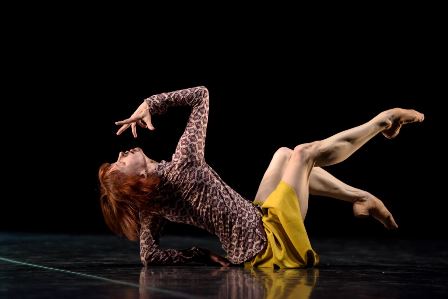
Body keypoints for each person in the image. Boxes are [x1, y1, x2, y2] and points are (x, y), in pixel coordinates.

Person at [98, 86, 424, 268]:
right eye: (119, 163)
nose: (122, 154)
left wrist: (199, 255)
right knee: (303, 153)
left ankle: (360, 199)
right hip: (270, 244)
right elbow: (201, 95)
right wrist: (151, 103)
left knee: (282, 155)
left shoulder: (153, 205)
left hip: (259, 220)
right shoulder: (183, 167)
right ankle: (384, 122)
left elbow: (148, 255)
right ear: (137, 177)